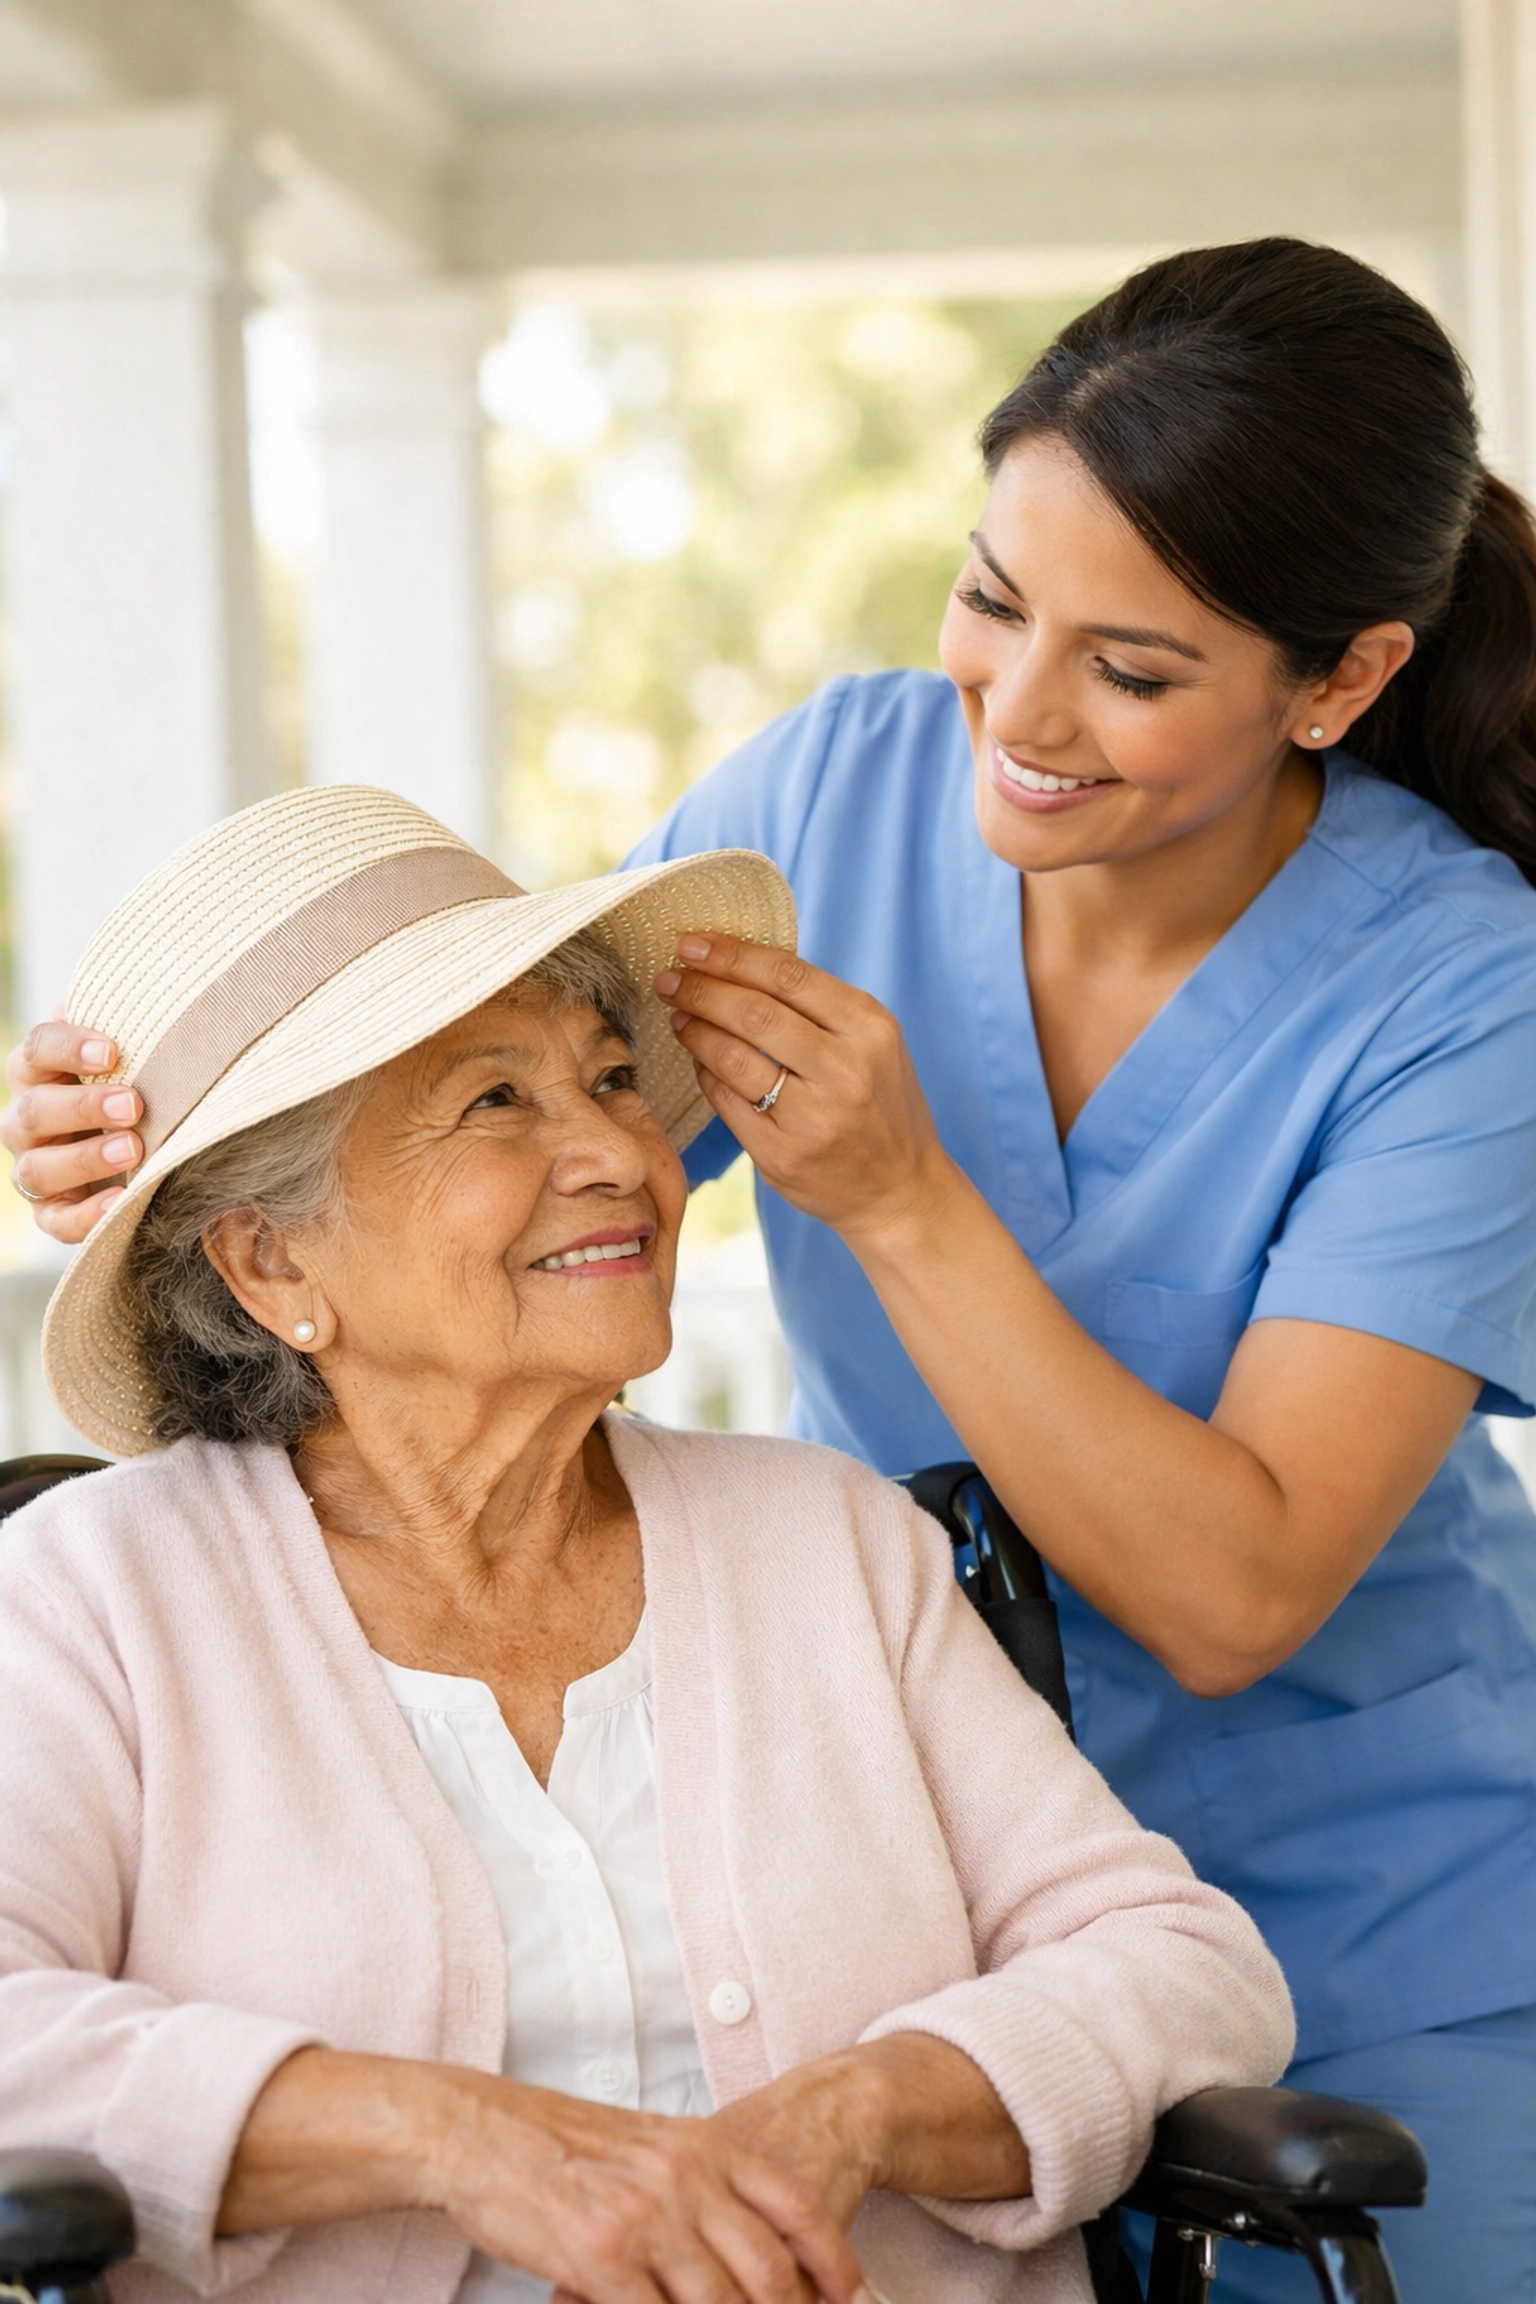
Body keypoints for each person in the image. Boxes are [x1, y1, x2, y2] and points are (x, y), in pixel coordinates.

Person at [9, 237, 1536, 2301]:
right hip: (922, 1889)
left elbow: (1234, 1595)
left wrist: (906, 1198)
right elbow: (501, 1113)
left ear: (1339, 682)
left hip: (1361, 1906)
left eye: (1136, 669)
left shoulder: (1455, 989)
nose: (1015, 709)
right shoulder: (834, 797)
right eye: (993, 600)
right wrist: (168, 1137)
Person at [0, 784, 1292, 2304]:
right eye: (496, 1102)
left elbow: (1185, 1965)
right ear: (275, 1258)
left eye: (613, 1080)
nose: (621, 1153)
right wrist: (457, 2141)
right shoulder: (93, 1595)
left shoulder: (833, 1546)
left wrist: (855, 2114)